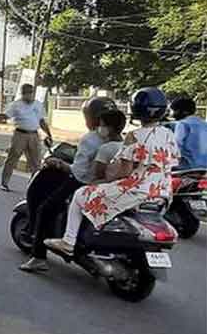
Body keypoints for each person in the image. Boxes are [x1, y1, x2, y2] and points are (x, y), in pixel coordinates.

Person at [46, 88, 180, 254]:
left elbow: (124, 172)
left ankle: (68, 241)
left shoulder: (134, 136)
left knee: (80, 195)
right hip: (162, 191)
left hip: (136, 189)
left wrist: (103, 180)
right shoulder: (169, 134)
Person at [20, 96, 116, 272]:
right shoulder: (120, 139)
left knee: (46, 210)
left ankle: (38, 258)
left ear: (92, 117)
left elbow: (79, 173)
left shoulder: (91, 139)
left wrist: (58, 163)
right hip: (110, 186)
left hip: (83, 183)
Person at [0, 83, 53, 191]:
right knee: (12, 159)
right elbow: (5, 116)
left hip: (34, 135)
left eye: (30, 92)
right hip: (20, 135)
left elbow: (42, 121)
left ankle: (33, 186)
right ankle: (4, 183)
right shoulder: (16, 105)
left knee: (36, 162)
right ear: (22, 94)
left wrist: (48, 135)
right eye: (26, 93)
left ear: (33, 93)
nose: (28, 95)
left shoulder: (38, 105)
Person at [170, 95, 207, 170]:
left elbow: (176, 146)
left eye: (174, 110)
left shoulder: (182, 124)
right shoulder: (203, 123)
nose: (172, 114)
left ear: (184, 112)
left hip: (188, 167)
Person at [93, 109, 127, 182]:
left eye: (102, 125)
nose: (99, 128)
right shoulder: (127, 144)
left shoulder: (106, 149)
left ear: (110, 128)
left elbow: (98, 174)